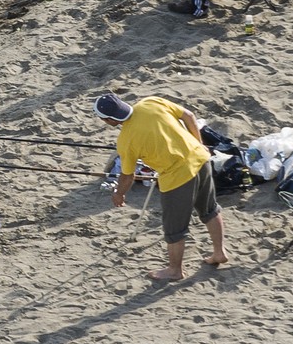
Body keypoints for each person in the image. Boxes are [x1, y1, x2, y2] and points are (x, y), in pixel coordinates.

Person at [95, 92, 229, 280]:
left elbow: (128, 175)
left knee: (174, 228)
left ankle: (175, 270)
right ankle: (219, 252)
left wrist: (119, 194)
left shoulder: (126, 141)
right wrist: (198, 143)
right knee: (210, 209)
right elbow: (189, 116)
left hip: (177, 177)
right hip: (200, 159)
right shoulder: (150, 102)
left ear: (110, 120)